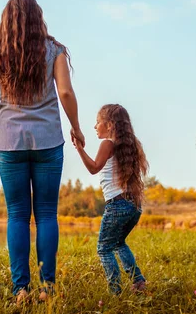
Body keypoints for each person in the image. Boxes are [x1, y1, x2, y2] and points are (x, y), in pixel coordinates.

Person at [0, 0, 84, 303]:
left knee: (18, 215)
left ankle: (21, 289)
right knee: (47, 214)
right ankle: (46, 289)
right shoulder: (55, 50)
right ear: (38, 18)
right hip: (48, 141)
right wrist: (76, 126)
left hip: (10, 143)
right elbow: (66, 92)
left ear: (6, 20)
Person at [73, 104, 148, 294]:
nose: (95, 126)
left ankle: (116, 291)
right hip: (133, 206)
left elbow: (93, 168)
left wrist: (79, 148)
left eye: (98, 122)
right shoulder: (129, 145)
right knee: (118, 243)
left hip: (117, 205)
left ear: (109, 125)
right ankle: (138, 282)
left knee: (104, 249)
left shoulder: (107, 144)